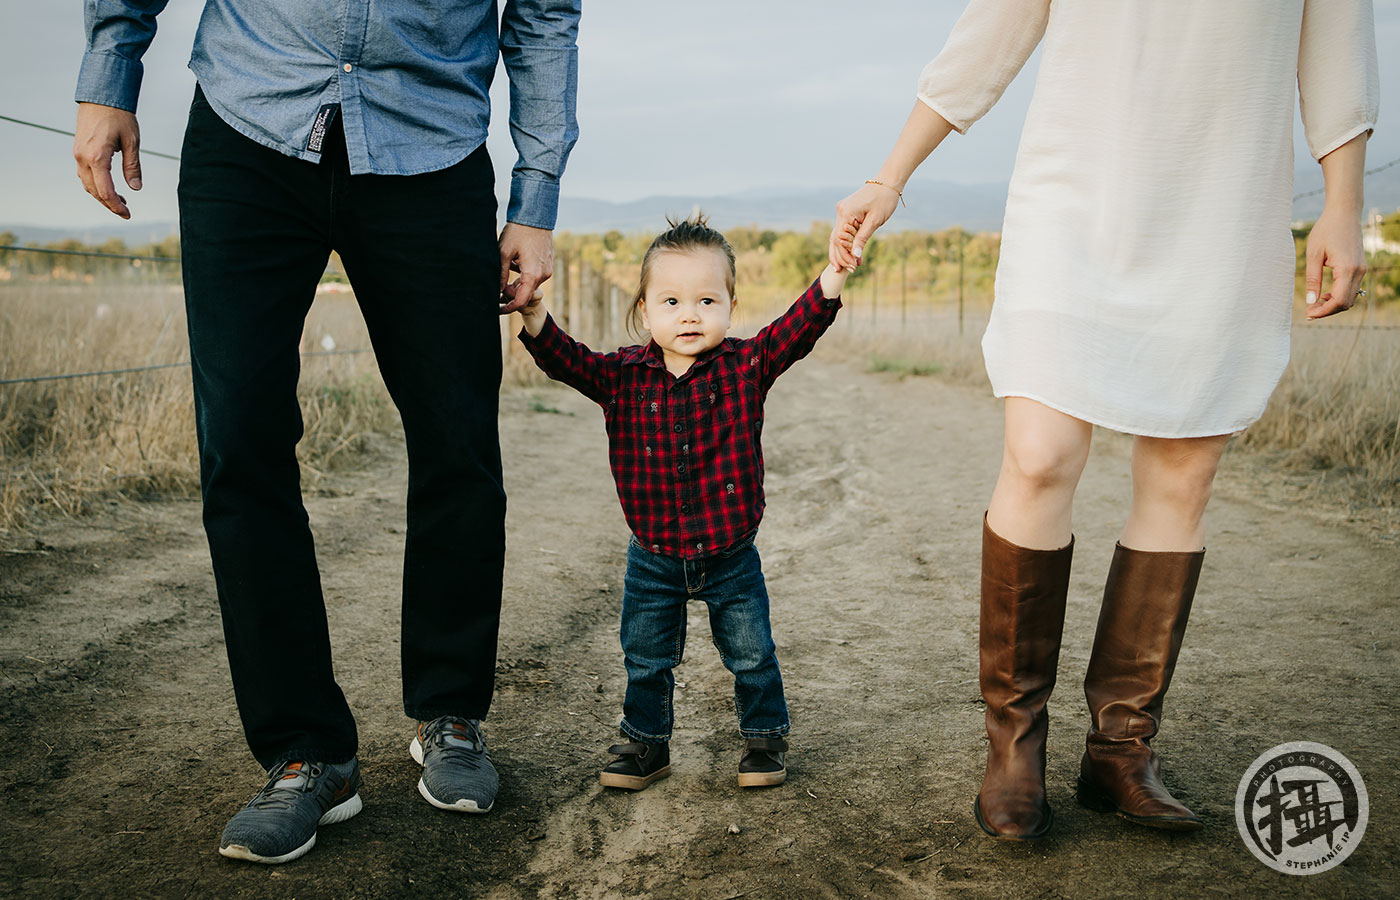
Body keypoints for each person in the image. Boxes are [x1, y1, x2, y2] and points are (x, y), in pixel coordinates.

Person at [829, 0, 1377, 840]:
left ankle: (1120, 750)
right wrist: (890, 174)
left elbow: (1339, 43)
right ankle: (1014, 747)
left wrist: (1342, 202)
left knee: (1181, 472)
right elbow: (996, 26)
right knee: (1040, 455)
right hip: (1074, 198)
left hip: (1222, 203)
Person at [72, 0, 580, 864]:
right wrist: (110, 68)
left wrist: (535, 194)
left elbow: (543, 13)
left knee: (459, 438)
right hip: (251, 121)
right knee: (241, 440)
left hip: (432, 143)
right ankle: (305, 753)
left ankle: (450, 715)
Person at [517, 216, 849, 790]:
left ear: (730, 305)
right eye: (671, 300)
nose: (689, 314)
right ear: (645, 309)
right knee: (645, 658)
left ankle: (765, 738)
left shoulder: (747, 366)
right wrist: (533, 315)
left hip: (731, 554)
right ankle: (647, 744)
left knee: (751, 652)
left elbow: (798, 328)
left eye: (705, 300)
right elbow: (564, 359)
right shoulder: (622, 377)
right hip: (653, 557)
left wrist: (834, 275)